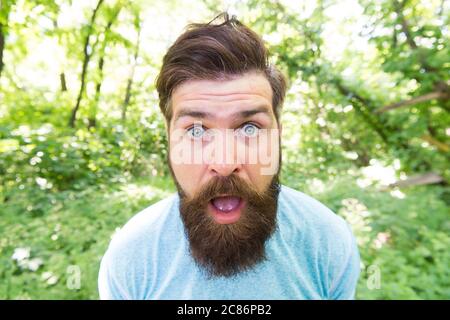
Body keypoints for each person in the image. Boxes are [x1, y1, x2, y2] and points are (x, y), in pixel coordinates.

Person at [98, 13, 360, 300]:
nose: (224, 164)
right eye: (196, 131)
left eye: (250, 128)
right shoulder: (129, 259)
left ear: (278, 133)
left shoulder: (329, 244)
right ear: (169, 136)